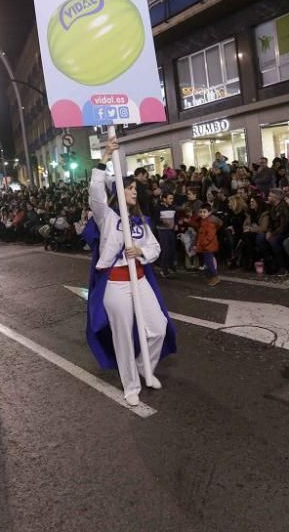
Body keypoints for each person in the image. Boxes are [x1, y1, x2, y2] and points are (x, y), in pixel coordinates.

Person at [87, 140, 177, 406]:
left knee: (158, 328)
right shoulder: (107, 217)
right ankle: (131, 385)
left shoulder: (140, 221)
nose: (134, 191)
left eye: (135, 188)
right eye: (129, 188)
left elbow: (155, 247)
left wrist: (140, 251)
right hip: (115, 285)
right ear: (118, 192)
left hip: (139, 280)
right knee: (123, 336)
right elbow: (95, 192)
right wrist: (103, 159)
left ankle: (143, 365)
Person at [196, 206, 222, 286]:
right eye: (201, 212)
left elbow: (210, 235)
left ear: (209, 212)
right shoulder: (204, 221)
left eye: (204, 212)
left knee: (209, 262)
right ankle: (213, 276)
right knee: (208, 261)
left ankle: (215, 276)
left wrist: (203, 243)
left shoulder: (210, 222)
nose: (202, 214)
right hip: (206, 245)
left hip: (208, 246)